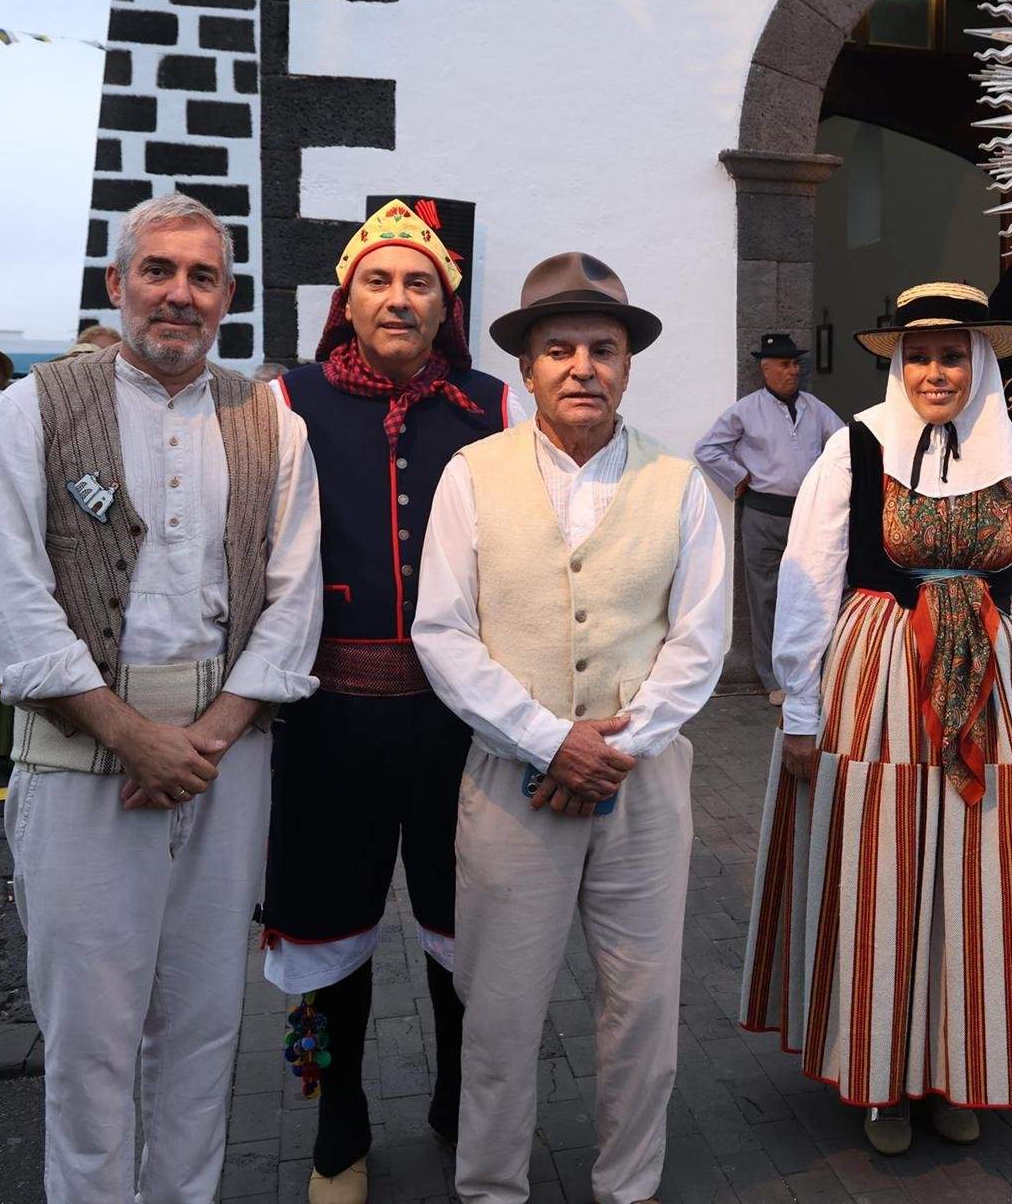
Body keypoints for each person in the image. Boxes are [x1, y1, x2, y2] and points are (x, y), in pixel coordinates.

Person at [0, 193, 322, 1203]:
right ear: (117, 283)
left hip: (224, 754)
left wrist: (205, 737)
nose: (178, 293)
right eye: (156, 270)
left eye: (201, 276)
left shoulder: (270, 421)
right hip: (83, 758)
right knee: (90, 1035)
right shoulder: (30, 410)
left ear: (228, 297)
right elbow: (11, 602)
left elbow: (291, 600)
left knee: (205, 1024)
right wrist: (132, 737)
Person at [738, 282, 1012, 1155]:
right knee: (882, 873)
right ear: (898, 362)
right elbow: (808, 583)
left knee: (976, 878)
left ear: (981, 363)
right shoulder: (853, 450)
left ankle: (958, 1069)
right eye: (920, 355)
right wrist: (801, 711)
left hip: (994, 700)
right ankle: (881, 1078)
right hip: (881, 683)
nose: (936, 371)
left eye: (953, 354)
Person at [413, 253, 728, 1204]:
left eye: (602, 348)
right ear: (528, 368)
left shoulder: (678, 484)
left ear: (628, 364)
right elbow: (443, 632)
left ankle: (627, 1186)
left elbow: (700, 639)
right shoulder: (472, 475)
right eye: (560, 349)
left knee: (642, 1008)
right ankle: (490, 1189)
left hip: (643, 785)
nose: (582, 366)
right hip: (511, 786)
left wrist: (615, 749)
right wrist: (551, 742)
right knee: (499, 1012)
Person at [259, 199, 525, 1204]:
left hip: (459, 723)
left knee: (469, 928)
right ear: (348, 298)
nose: (399, 297)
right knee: (328, 934)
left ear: (444, 302)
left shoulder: (493, 405)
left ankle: (461, 1096)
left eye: (420, 282)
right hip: (326, 717)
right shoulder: (286, 402)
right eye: (380, 279)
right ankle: (338, 1120)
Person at [693, 332, 845, 705]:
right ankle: (771, 678)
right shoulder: (746, 409)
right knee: (764, 597)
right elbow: (708, 448)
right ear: (766, 369)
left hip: (807, 515)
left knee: (815, 591)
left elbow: (845, 443)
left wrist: (832, 482)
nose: (793, 371)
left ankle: (813, 674)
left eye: (795, 364)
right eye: (785, 364)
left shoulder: (814, 407)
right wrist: (740, 478)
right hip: (762, 513)